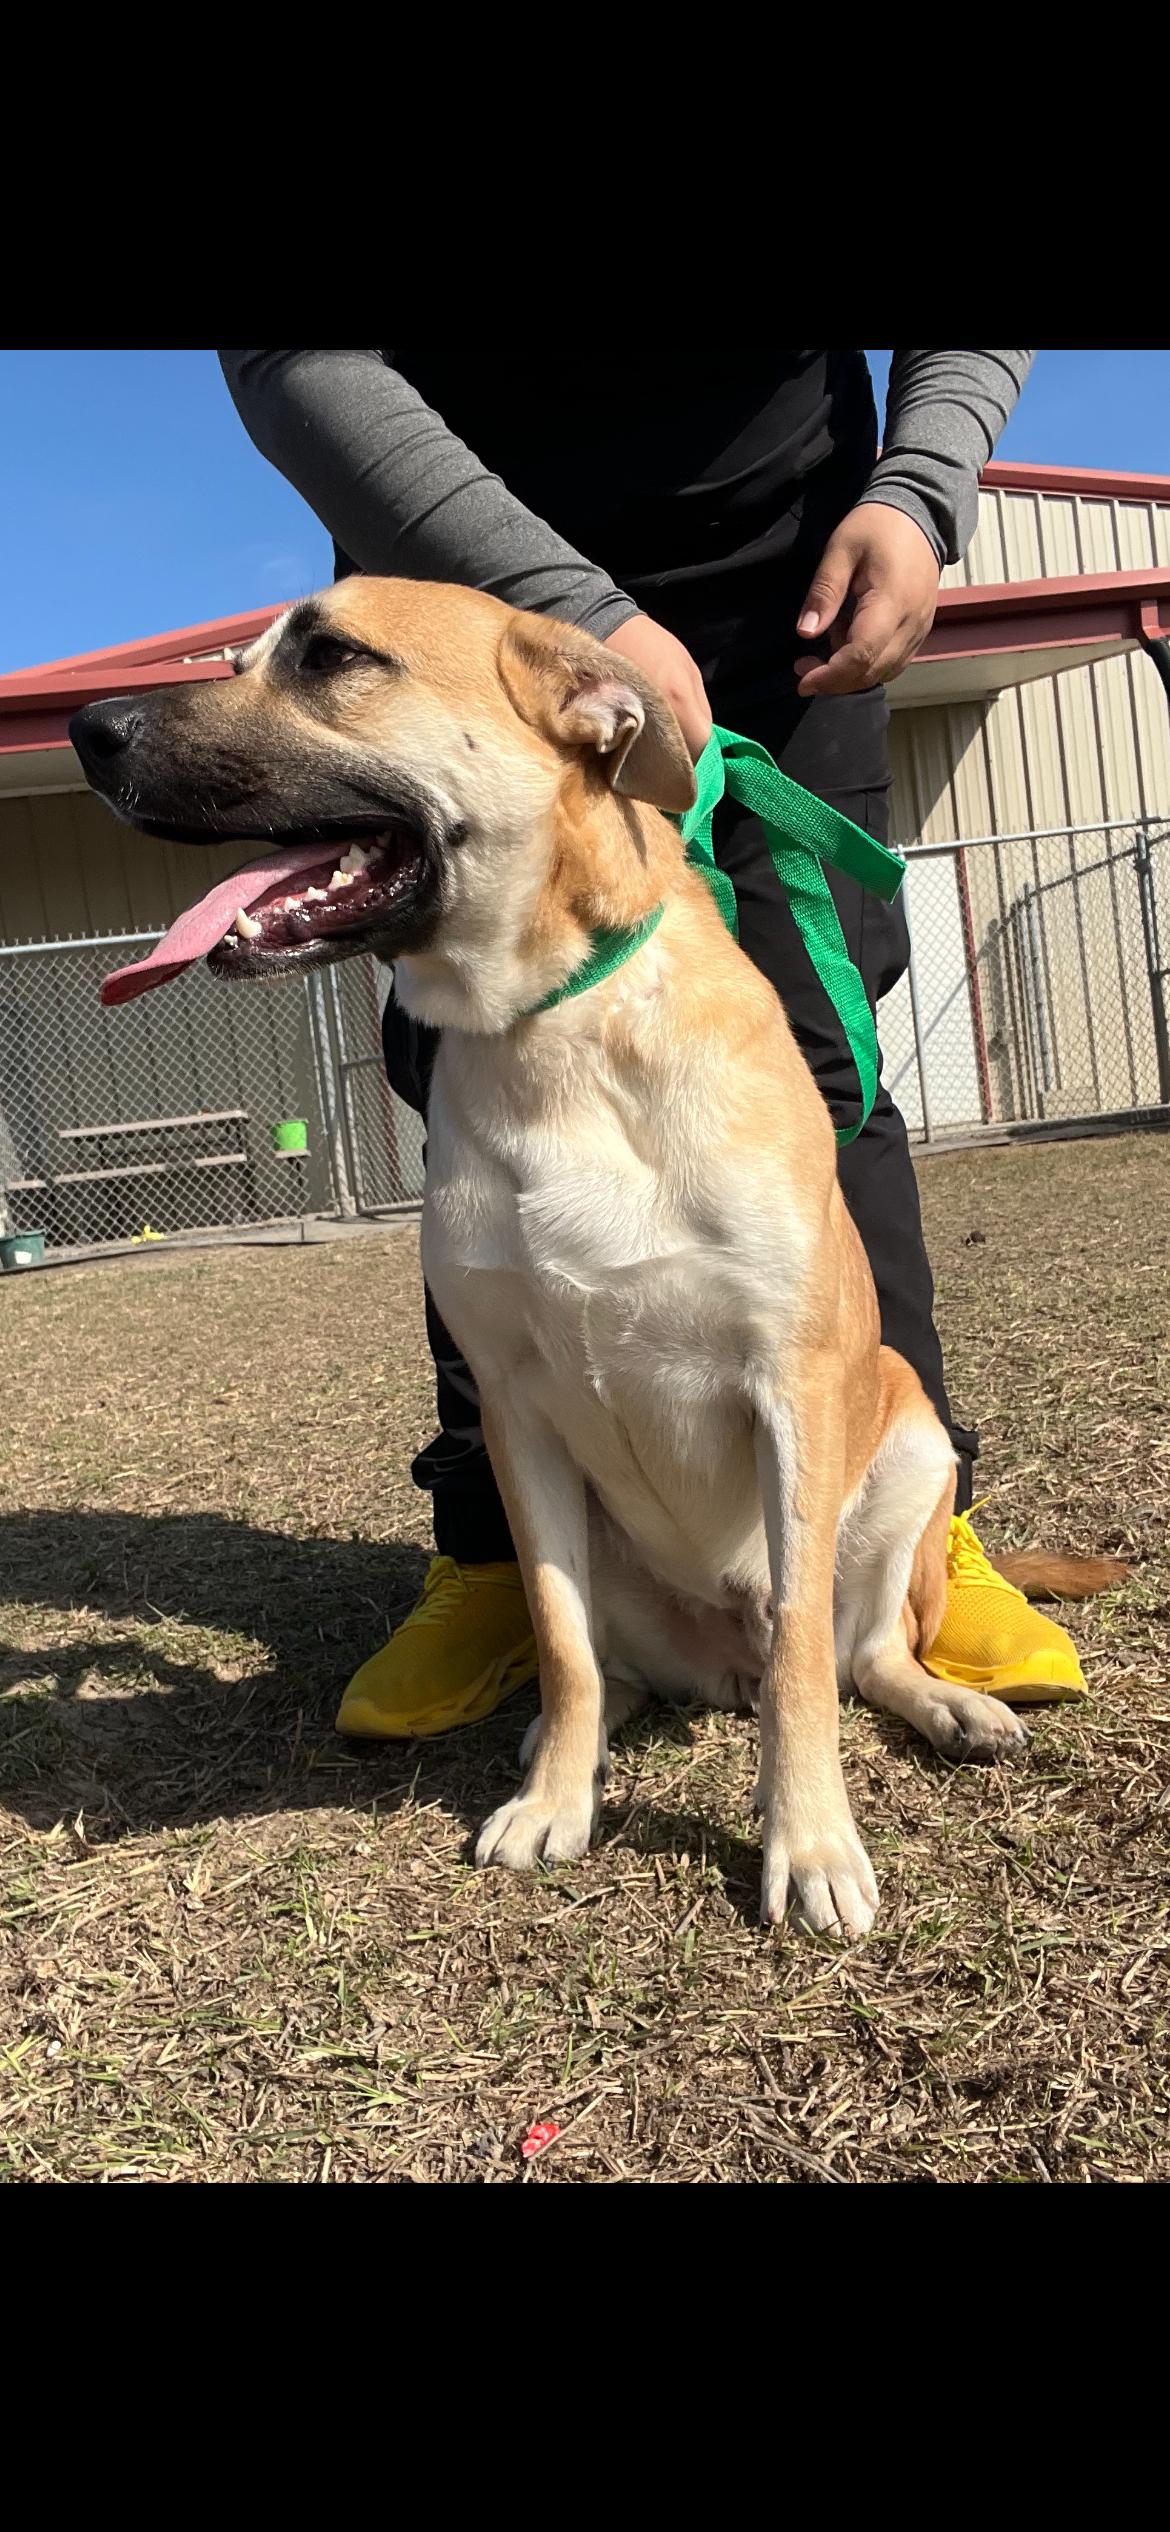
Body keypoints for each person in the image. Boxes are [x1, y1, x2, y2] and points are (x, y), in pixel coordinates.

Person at [220, 346, 1086, 1736]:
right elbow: (292, 361)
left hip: (794, 580)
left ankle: (914, 1530)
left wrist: (922, 486)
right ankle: (494, 1554)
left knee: (823, 1053)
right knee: (464, 1050)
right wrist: (575, 612)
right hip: (450, 570)